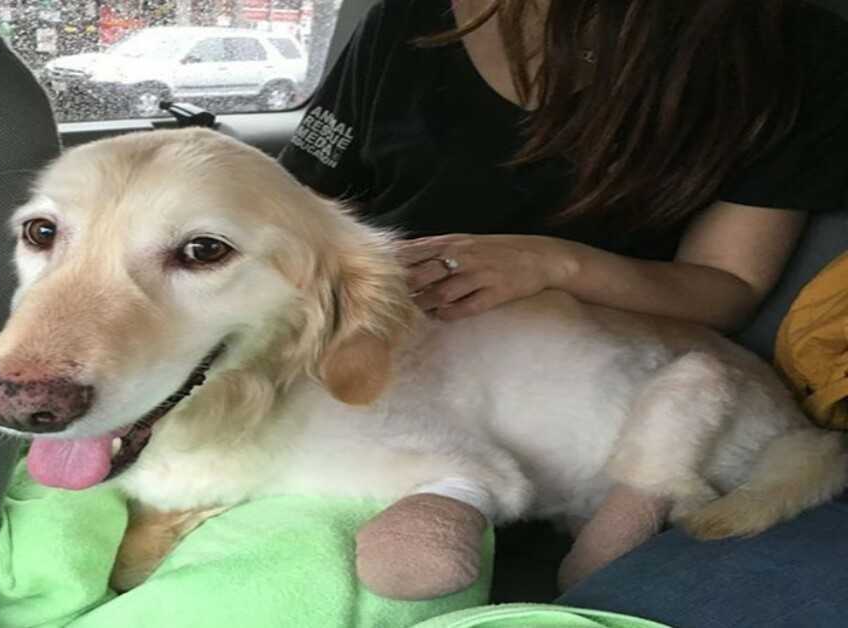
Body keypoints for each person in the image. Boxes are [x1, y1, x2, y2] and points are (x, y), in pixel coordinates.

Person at [278, 0, 848, 625]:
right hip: (361, 352)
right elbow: (300, 207)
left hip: (577, 386)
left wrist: (557, 265)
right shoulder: (407, 15)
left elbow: (728, 284)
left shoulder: (790, 46)